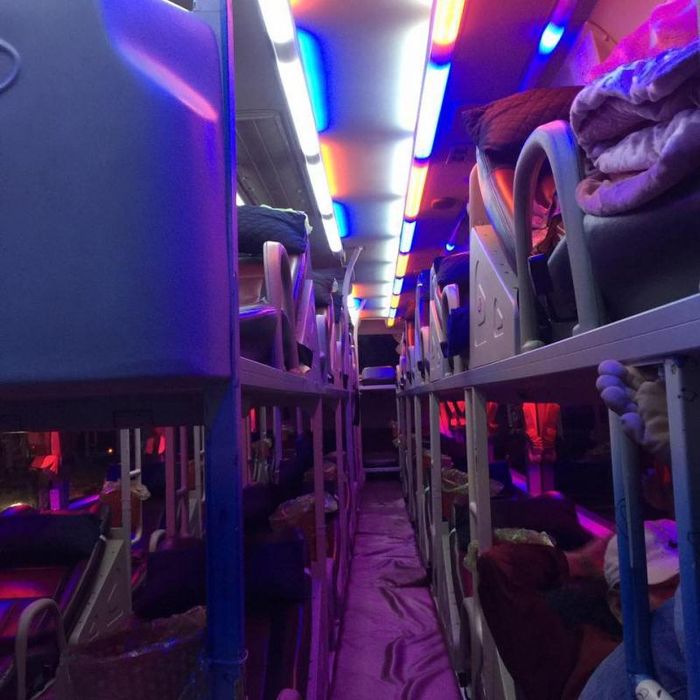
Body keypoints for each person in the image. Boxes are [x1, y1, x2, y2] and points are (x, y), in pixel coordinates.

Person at [579, 361, 688, 699]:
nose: (678, 595)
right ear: (620, 606)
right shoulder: (614, 684)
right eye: (663, 586)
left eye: (682, 580)